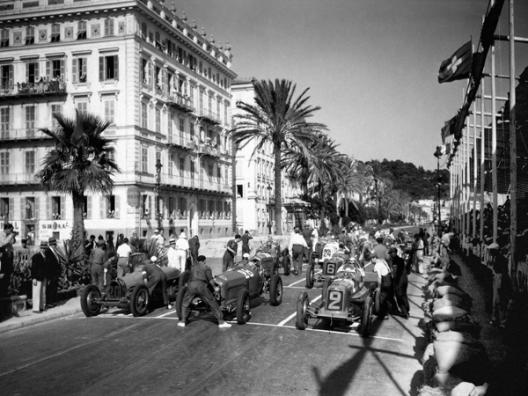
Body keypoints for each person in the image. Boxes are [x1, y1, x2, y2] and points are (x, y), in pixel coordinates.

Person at [178, 255, 231, 328]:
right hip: (201, 286)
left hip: (191, 285)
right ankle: (221, 322)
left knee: (185, 303)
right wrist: (215, 288)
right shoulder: (206, 267)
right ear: (204, 261)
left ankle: (183, 321)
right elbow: (211, 280)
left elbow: (188, 276)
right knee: (212, 302)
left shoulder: (192, 267)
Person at [489, 244, 512, 328]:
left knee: (500, 301)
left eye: (491, 250)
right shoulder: (497, 258)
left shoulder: (500, 258)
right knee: (495, 300)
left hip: (500, 279)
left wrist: (501, 284)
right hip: (497, 278)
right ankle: (495, 319)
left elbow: (503, 272)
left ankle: (502, 321)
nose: (490, 252)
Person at [389, 247, 409, 318]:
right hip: (404, 280)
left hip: (399, 281)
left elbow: (396, 273)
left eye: (391, 253)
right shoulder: (401, 260)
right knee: (404, 295)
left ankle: (404, 312)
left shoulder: (396, 261)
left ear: (394, 253)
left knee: (399, 296)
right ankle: (406, 309)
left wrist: (394, 281)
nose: (390, 255)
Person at [31, 241, 48, 312]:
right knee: (36, 293)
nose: (43, 249)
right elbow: (33, 268)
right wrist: (33, 278)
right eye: (42, 248)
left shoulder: (46, 257)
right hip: (37, 277)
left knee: (43, 293)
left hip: (43, 277)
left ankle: (42, 307)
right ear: (40, 248)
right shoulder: (36, 256)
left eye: (44, 248)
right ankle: (36, 308)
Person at [0, 223, 16, 297]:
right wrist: (11, 236)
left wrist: (13, 237)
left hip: (9, 257)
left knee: (8, 276)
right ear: (6, 229)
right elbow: (3, 243)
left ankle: (6, 291)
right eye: (11, 230)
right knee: (3, 276)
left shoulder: (10, 235)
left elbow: (13, 242)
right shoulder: (1, 235)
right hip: (3, 257)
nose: (12, 231)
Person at [44, 237, 62, 307]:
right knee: (50, 289)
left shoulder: (54, 251)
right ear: (52, 244)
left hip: (55, 274)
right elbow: (47, 265)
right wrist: (48, 276)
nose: (55, 245)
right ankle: (49, 302)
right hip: (51, 274)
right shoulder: (48, 251)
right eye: (54, 244)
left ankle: (53, 301)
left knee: (54, 288)